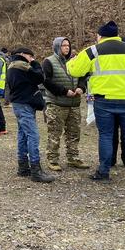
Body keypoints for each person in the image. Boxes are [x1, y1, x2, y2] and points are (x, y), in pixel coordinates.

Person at [67, 21, 125, 183]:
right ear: (117, 35)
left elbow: (74, 70)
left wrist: (72, 60)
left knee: (106, 136)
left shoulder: (93, 51)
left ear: (100, 36)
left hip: (104, 102)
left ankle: (104, 172)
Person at [7, 48, 55, 183]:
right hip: (24, 104)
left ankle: (23, 167)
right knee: (33, 135)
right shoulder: (23, 66)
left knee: (23, 134)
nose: (31, 58)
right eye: (30, 56)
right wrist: (35, 63)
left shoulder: (13, 65)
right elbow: (40, 77)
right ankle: (36, 170)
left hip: (19, 103)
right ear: (22, 55)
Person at [42, 37, 89, 171]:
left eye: (68, 45)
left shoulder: (75, 61)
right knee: (55, 133)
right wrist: (63, 91)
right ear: (57, 47)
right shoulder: (48, 62)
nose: (66, 48)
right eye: (63, 45)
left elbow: (83, 76)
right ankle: (52, 159)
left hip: (74, 104)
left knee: (74, 133)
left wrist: (82, 87)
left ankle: (73, 158)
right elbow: (46, 81)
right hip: (57, 104)